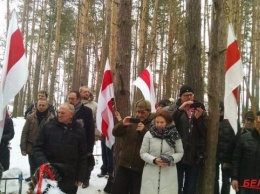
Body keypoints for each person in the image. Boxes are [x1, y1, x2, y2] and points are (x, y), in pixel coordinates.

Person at [33, 103, 88, 194]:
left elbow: (82, 155)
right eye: (59, 112)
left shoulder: (79, 130)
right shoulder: (48, 126)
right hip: (50, 172)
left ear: (71, 114)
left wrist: (80, 176)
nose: (60, 115)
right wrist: (44, 163)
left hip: (70, 175)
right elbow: (37, 148)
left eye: (63, 113)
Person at [110, 99, 155, 194]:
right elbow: (115, 133)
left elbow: (155, 143)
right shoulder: (132, 122)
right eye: (138, 112)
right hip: (124, 164)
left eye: (143, 112)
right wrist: (122, 124)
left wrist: (144, 131)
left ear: (149, 111)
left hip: (141, 167)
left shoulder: (154, 124)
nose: (140, 115)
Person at [172, 85, 207, 194]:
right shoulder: (176, 109)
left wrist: (198, 119)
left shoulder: (200, 110)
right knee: (176, 186)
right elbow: (170, 125)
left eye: (190, 95)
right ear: (180, 97)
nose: (188, 98)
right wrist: (180, 110)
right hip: (177, 154)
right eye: (185, 95)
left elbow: (204, 132)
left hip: (194, 155)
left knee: (190, 187)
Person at [140, 108, 184, 194]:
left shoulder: (174, 134)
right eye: (157, 122)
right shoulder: (149, 134)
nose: (159, 125)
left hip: (168, 174)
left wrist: (171, 158)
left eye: (162, 122)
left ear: (167, 122)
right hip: (150, 174)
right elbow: (143, 153)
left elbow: (180, 152)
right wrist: (154, 160)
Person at [20, 99, 54, 181]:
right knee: (32, 165)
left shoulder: (51, 118)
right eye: (40, 105)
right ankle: (33, 179)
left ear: (47, 106)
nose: (41, 107)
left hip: (44, 148)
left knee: (42, 166)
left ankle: (41, 182)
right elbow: (25, 132)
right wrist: (23, 148)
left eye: (43, 105)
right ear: (37, 106)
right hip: (31, 146)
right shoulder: (30, 117)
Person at [67, 91, 95, 188]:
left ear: (78, 99)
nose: (70, 101)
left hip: (83, 143)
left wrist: (90, 149)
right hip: (69, 143)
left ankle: (85, 179)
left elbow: (90, 131)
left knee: (85, 162)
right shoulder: (65, 109)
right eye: (69, 98)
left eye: (72, 99)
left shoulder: (87, 111)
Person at [231, 120, 260, 193]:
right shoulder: (244, 138)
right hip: (244, 183)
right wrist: (234, 178)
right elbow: (236, 159)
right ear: (255, 123)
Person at [214, 101, 235, 194]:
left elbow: (234, 140)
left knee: (226, 180)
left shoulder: (231, 121)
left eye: (220, 110)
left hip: (227, 157)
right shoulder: (214, 121)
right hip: (215, 155)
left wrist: (231, 157)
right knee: (215, 178)